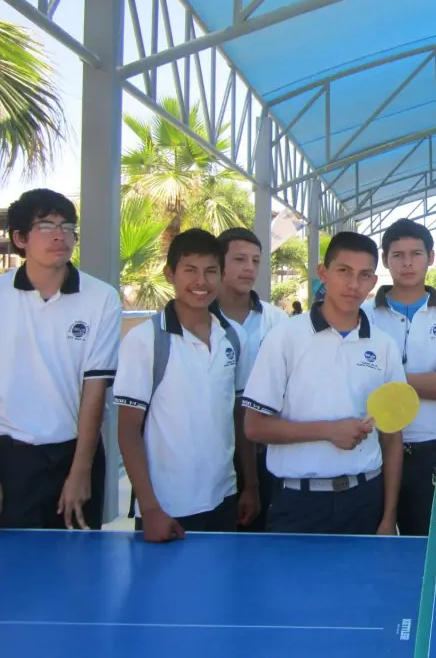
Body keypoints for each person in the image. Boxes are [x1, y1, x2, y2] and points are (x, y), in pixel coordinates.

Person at [0, 189, 119, 537]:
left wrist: (80, 473)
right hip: (7, 461)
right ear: (20, 238)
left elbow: (94, 390)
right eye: (45, 226)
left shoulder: (102, 298)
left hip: (74, 456)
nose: (60, 235)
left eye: (68, 226)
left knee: (77, 578)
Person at [241, 232, 405, 535]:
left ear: (373, 281)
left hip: (365, 500)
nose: (354, 284)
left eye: (364, 275)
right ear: (323, 273)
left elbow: (392, 438)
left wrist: (388, 515)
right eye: (344, 271)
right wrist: (330, 431)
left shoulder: (385, 346)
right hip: (298, 503)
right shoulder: (284, 338)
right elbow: (255, 427)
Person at [115, 229, 258, 542]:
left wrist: (250, 486)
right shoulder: (145, 340)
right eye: (190, 270)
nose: (201, 282)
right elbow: (127, 430)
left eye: (210, 271)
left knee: (221, 591)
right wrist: (150, 509)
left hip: (224, 498)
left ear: (221, 276)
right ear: (170, 274)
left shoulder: (234, 337)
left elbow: (238, 415)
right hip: (167, 507)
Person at [365, 219, 436, 535]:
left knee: (425, 553)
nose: (407, 262)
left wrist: (387, 380)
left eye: (416, 253)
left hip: (429, 456)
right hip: (372, 453)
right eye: (398, 255)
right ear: (386, 260)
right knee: (373, 550)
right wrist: (427, 381)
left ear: (431, 257)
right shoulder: (365, 316)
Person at [215, 227, 291, 532]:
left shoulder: (277, 321)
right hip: (217, 450)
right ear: (219, 263)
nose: (249, 268)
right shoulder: (200, 322)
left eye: (256, 260)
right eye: (239, 259)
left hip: (266, 449)